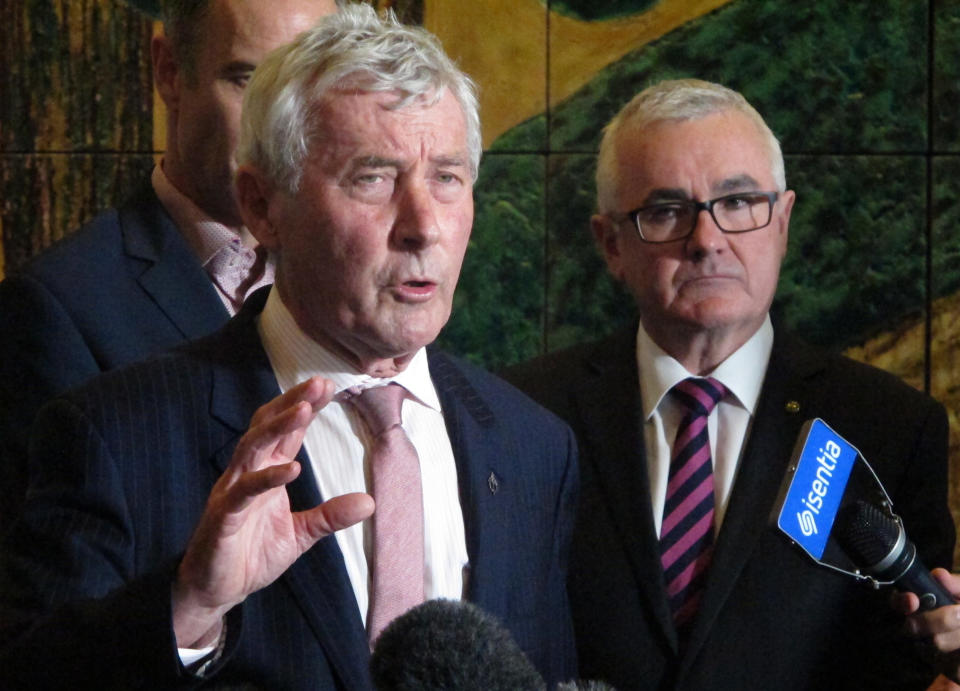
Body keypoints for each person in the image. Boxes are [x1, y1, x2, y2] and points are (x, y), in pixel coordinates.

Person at [0, 6, 577, 690]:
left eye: (447, 177)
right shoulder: (114, 433)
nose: (424, 225)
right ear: (263, 206)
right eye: (374, 177)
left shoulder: (534, 447)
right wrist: (190, 608)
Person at [503, 78, 955, 690]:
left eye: (738, 203)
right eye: (666, 212)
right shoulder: (522, 416)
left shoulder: (891, 427)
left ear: (783, 222)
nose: (708, 241)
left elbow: (910, 655)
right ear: (611, 244)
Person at [0, 0, 337, 530]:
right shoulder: (55, 313)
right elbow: (58, 597)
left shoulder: (358, 283)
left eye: (310, 86)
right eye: (248, 81)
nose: (283, 130)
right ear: (170, 71)